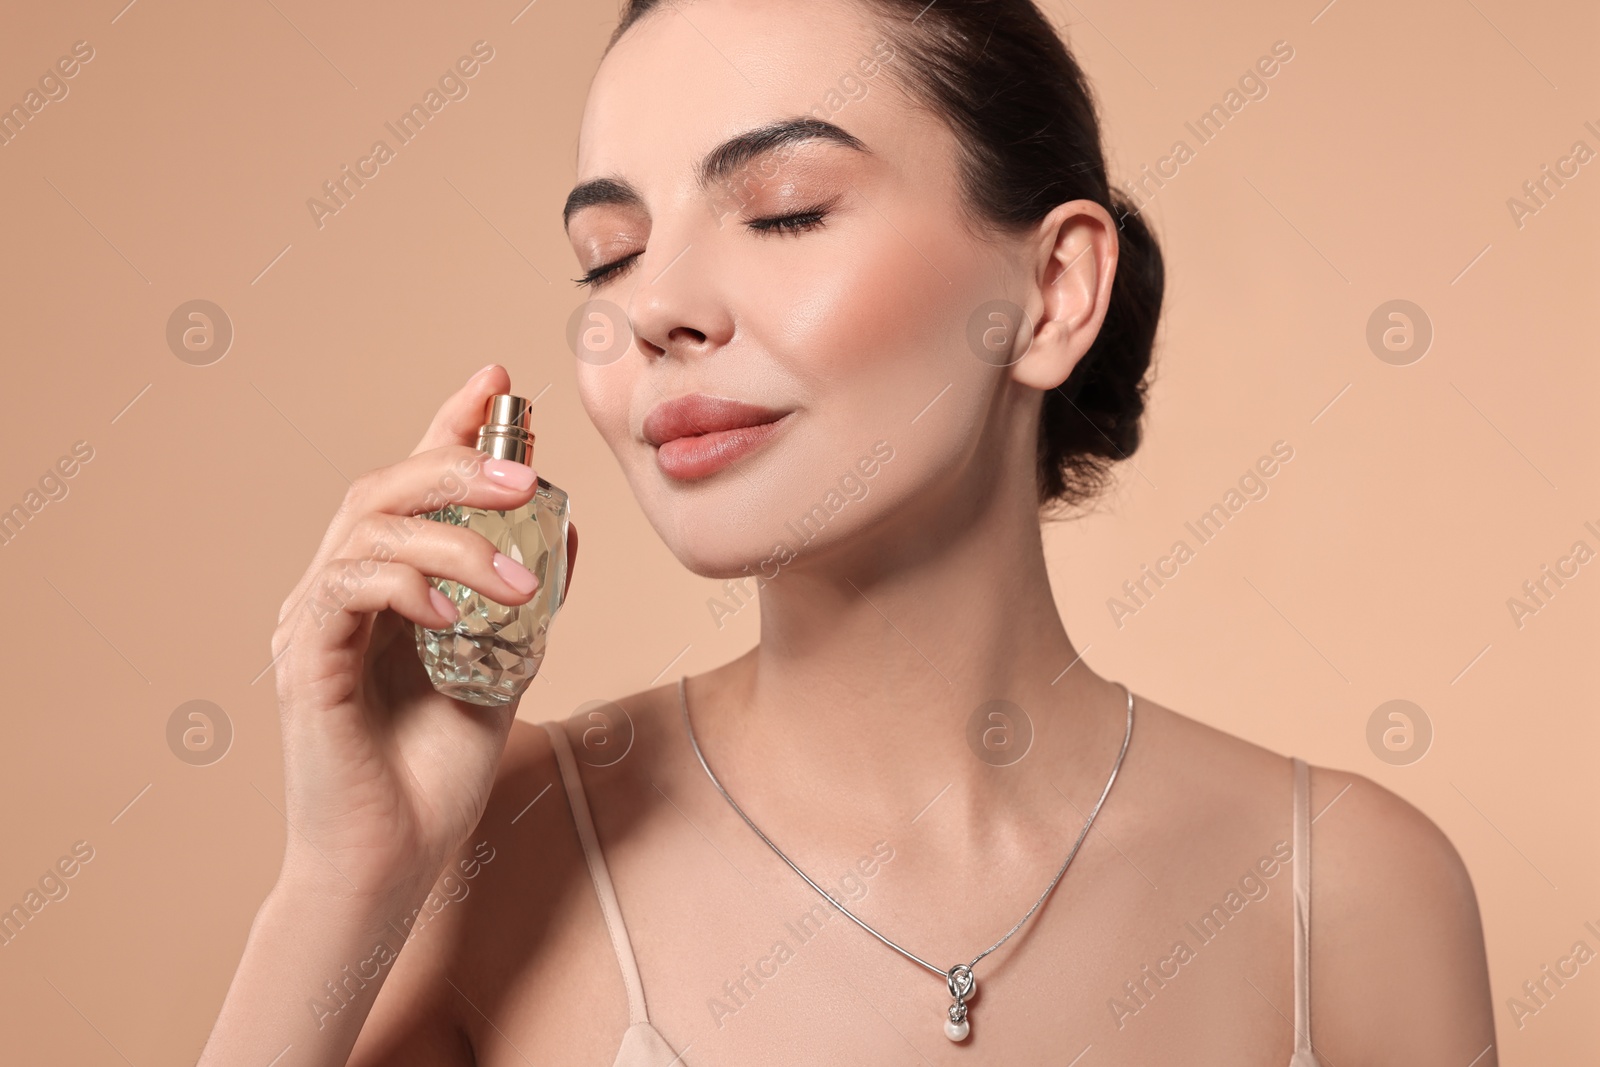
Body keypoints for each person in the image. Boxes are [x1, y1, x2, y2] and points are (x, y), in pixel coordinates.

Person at [200, 1, 1497, 1063]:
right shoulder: (500, 851)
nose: (650, 309)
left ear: (1051, 293)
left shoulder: (1346, 889)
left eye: (783, 210)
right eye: (607, 256)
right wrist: (343, 878)